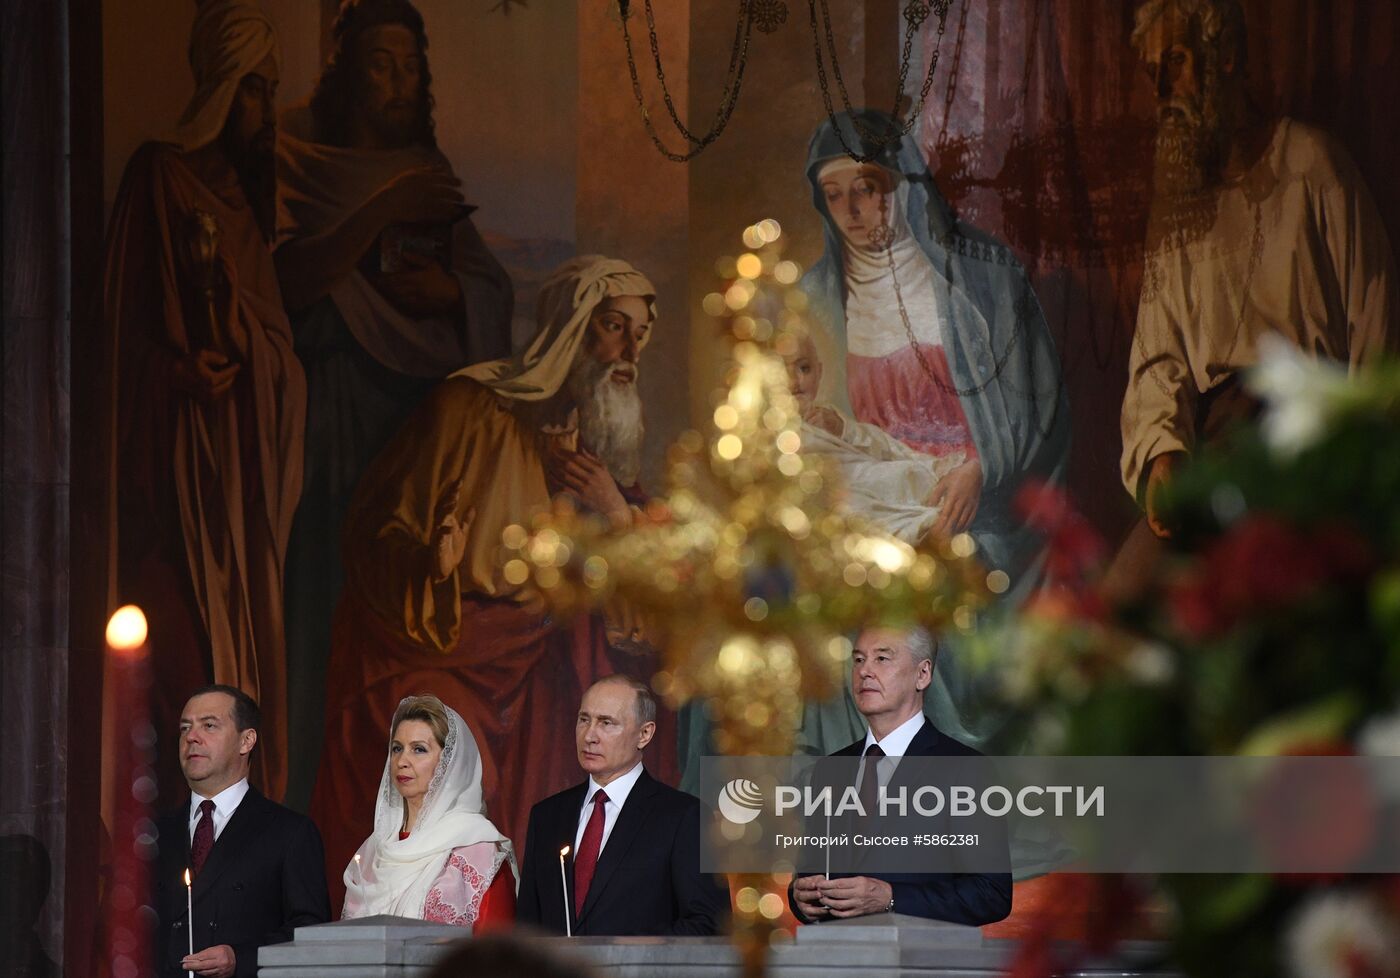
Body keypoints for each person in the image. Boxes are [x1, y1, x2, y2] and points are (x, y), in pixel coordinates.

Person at [310, 256, 676, 910]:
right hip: (454, 646)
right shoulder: (471, 406)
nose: (630, 351)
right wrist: (432, 563)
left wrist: (612, 511)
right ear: (569, 329)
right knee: (440, 751)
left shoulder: (599, 454)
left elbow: (652, 611)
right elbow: (375, 534)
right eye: (613, 327)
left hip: (548, 668)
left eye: (641, 335)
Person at [274, 0, 514, 805]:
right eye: (380, 63)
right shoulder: (299, 160)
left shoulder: (428, 170)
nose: (398, 80)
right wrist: (375, 214)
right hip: (336, 412)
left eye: (410, 64)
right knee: (328, 590)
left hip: (416, 421)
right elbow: (283, 281)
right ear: (346, 72)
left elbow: (486, 288)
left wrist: (447, 288)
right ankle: (315, 786)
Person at [103, 0, 306, 802]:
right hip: (173, 493)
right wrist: (182, 378)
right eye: (253, 89)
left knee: (235, 680)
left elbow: (283, 360)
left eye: (271, 90)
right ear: (220, 88)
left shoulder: (248, 219)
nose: (264, 112)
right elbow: (115, 349)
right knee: (179, 675)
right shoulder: (161, 179)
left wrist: (255, 369)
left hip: (238, 504)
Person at [1120, 0, 1397, 540]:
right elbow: (1157, 357)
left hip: (1312, 444)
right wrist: (1163, 452)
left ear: (1222, 57)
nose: (1162, 91)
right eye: (1153, 73)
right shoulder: (1176, 210)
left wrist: (1362, 463)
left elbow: (1376, 322)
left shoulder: (1311, 163)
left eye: (1175, 61)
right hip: (1214, 447)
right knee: (1129, 595)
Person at [789, 627, 1011, 927]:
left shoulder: (964, 769)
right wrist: (800, 898)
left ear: (923, 674)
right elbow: (812, 874)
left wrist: (891, 899)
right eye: (857, 660)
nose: (864, 671)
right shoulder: (829, 771)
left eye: (882, 658)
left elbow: (991, 893)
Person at [516, 676, 729, 936]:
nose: (590, 735)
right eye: (584, 720)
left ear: (644, 734)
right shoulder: (547, 816)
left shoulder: (685, 817)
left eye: (606, 723)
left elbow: (709, 924)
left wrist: (633, 954)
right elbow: (527, 928)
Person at [153, 686, 329, 978]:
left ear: (246, 741)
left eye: (209, 725)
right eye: (185, 727)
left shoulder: (289, 832)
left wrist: (241, 958)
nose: (191, 737)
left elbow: (310, 933)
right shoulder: (156, 833)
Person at [342, 694, 515, 927]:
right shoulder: (373, 852)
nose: (402, 760)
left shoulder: (478, 850)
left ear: (449, 762)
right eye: (396, 748)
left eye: (419, 749)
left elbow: (494, 952)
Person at [781, 326, 964, 544]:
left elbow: (882, 445)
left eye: (804, 368)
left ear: (819, 372)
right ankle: (918, 527)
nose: (794, 381)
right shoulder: (770, 433)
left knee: (902, 476)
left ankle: (928, 518)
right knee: (851, 507)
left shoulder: (829, 416)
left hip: (869, 476)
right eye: (780, 371)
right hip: (834, 490)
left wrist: (843, 429)